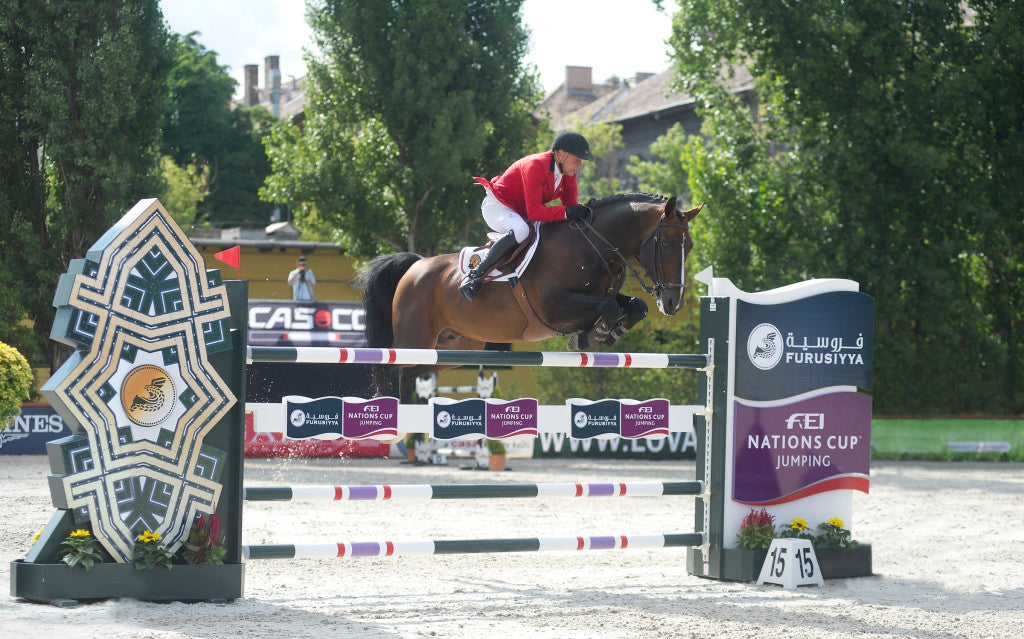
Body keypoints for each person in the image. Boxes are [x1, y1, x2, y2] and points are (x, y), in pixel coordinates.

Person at [459, 130, 594, 301]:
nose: (580, 165)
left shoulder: (568, 174)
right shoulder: (535, 165)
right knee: (521, 231)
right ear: (560, 154)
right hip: (498, 207)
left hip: (520, 212)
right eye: (577, 159)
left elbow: (571, 208)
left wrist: (586, 213)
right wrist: (568, 212)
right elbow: (535, 212)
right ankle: (474, 276)